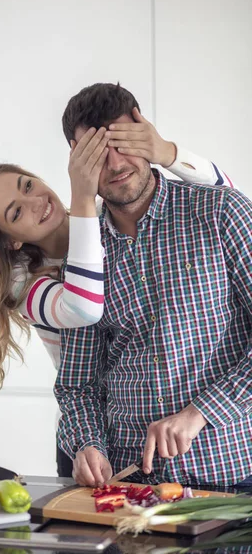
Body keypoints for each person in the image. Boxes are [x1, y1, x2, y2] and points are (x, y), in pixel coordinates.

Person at [0, 94, 236, 477]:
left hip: (187, 446)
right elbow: (84, 309)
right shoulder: (23, 283)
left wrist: (165, 152)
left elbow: (224, 196)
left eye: (28, 185)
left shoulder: (114, 221)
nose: (36, 203)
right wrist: (82, 194)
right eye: (16, 212)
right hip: (90, 440)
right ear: (9, 239)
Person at [54, 81, 252, 489]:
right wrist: (86, 445)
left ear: (145, 133)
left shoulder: (221, 213)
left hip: (234, 477)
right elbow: (78, 385)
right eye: (94, 153)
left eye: (122, 142)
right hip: (133, 487)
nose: (113, 163)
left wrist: (201, 411)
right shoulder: (83, 257)